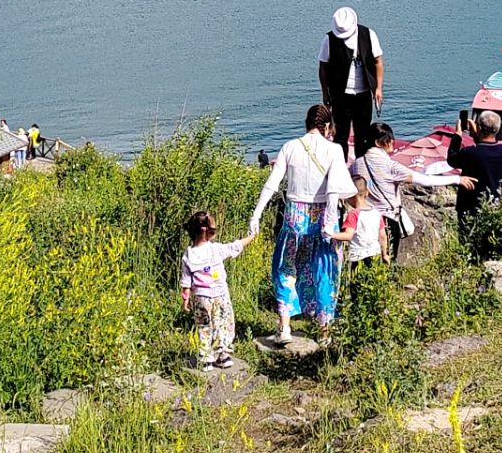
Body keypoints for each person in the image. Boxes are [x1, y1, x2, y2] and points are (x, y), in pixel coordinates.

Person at [249, 104, 353, 344]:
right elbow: (338, 189)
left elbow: (272, 184)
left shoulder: (290, 147)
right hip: (323, 217)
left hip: (294, 216)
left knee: (286, 268)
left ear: (306, 124)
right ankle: (324, 331)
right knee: (324, 271)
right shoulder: (334, 150)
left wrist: (256, 214)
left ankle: (284, 327)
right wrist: (335, 218)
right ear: (326, 126)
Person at [179, 210, 254, 370]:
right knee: (223, 324)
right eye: (214, 229)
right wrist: (251, 236)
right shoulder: (216, 249)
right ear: (205, 230)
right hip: (220, 295)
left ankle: (206, 359)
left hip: (200, 297)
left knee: (203, 326)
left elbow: (186, 281)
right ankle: (222, 355)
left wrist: (186, 298)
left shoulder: (188, 254)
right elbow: (236, 246)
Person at [318, 8, 384, 161]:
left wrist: (378, 88)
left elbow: (378, 61)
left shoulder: (368, 35)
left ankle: (361, 167)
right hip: (340, 95)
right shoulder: (329, 39)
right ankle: (339, 167)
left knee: (363, 134)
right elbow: (323, 68)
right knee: (340, 135)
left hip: (363, 93)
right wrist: (325, 93)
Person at [353, 123, 419, 262]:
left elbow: (345, 187)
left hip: (365, 216)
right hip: (388, 217)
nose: (392, 141)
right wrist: (457, 179)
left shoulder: (356, 164)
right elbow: (422, 179)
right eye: (388, 139)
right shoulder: (390, 165)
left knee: (367, 259)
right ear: (378, 142)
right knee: (389, 259)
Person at [446, 110, 502, 235]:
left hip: (469, 206)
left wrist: (458, 135)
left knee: (468, 239)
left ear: (479, 128)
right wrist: (477, 134)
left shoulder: (470, 153)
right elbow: (485, 149)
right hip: (495, 203)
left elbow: (452, 159)